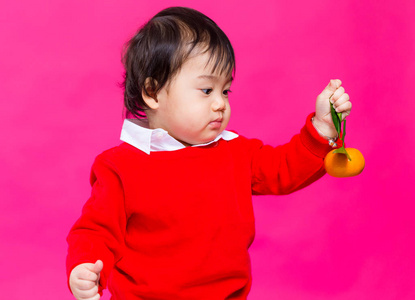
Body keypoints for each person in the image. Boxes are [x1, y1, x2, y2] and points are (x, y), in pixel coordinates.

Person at [66, 6, 351, 300]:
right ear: (153, 94)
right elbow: (95, 230)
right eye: (206, 90)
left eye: (225, 91)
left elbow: (283, 169)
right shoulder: (120, 166)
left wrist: (321, 129)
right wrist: (85, 267)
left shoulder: (236, 151)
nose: (220, 103)